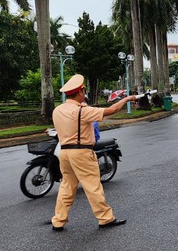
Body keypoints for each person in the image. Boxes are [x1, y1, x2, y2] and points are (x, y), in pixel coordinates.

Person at [50, 74, 136, 231]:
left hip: (65, 153)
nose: (85, 94)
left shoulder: (57, 110)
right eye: (84, 91)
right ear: (80, 92)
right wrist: (127, 99)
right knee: (93, 186)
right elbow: (111, 110)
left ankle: (58, 220)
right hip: (81, 153)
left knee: (67, 187)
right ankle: (105, 218)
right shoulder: (81, 111)